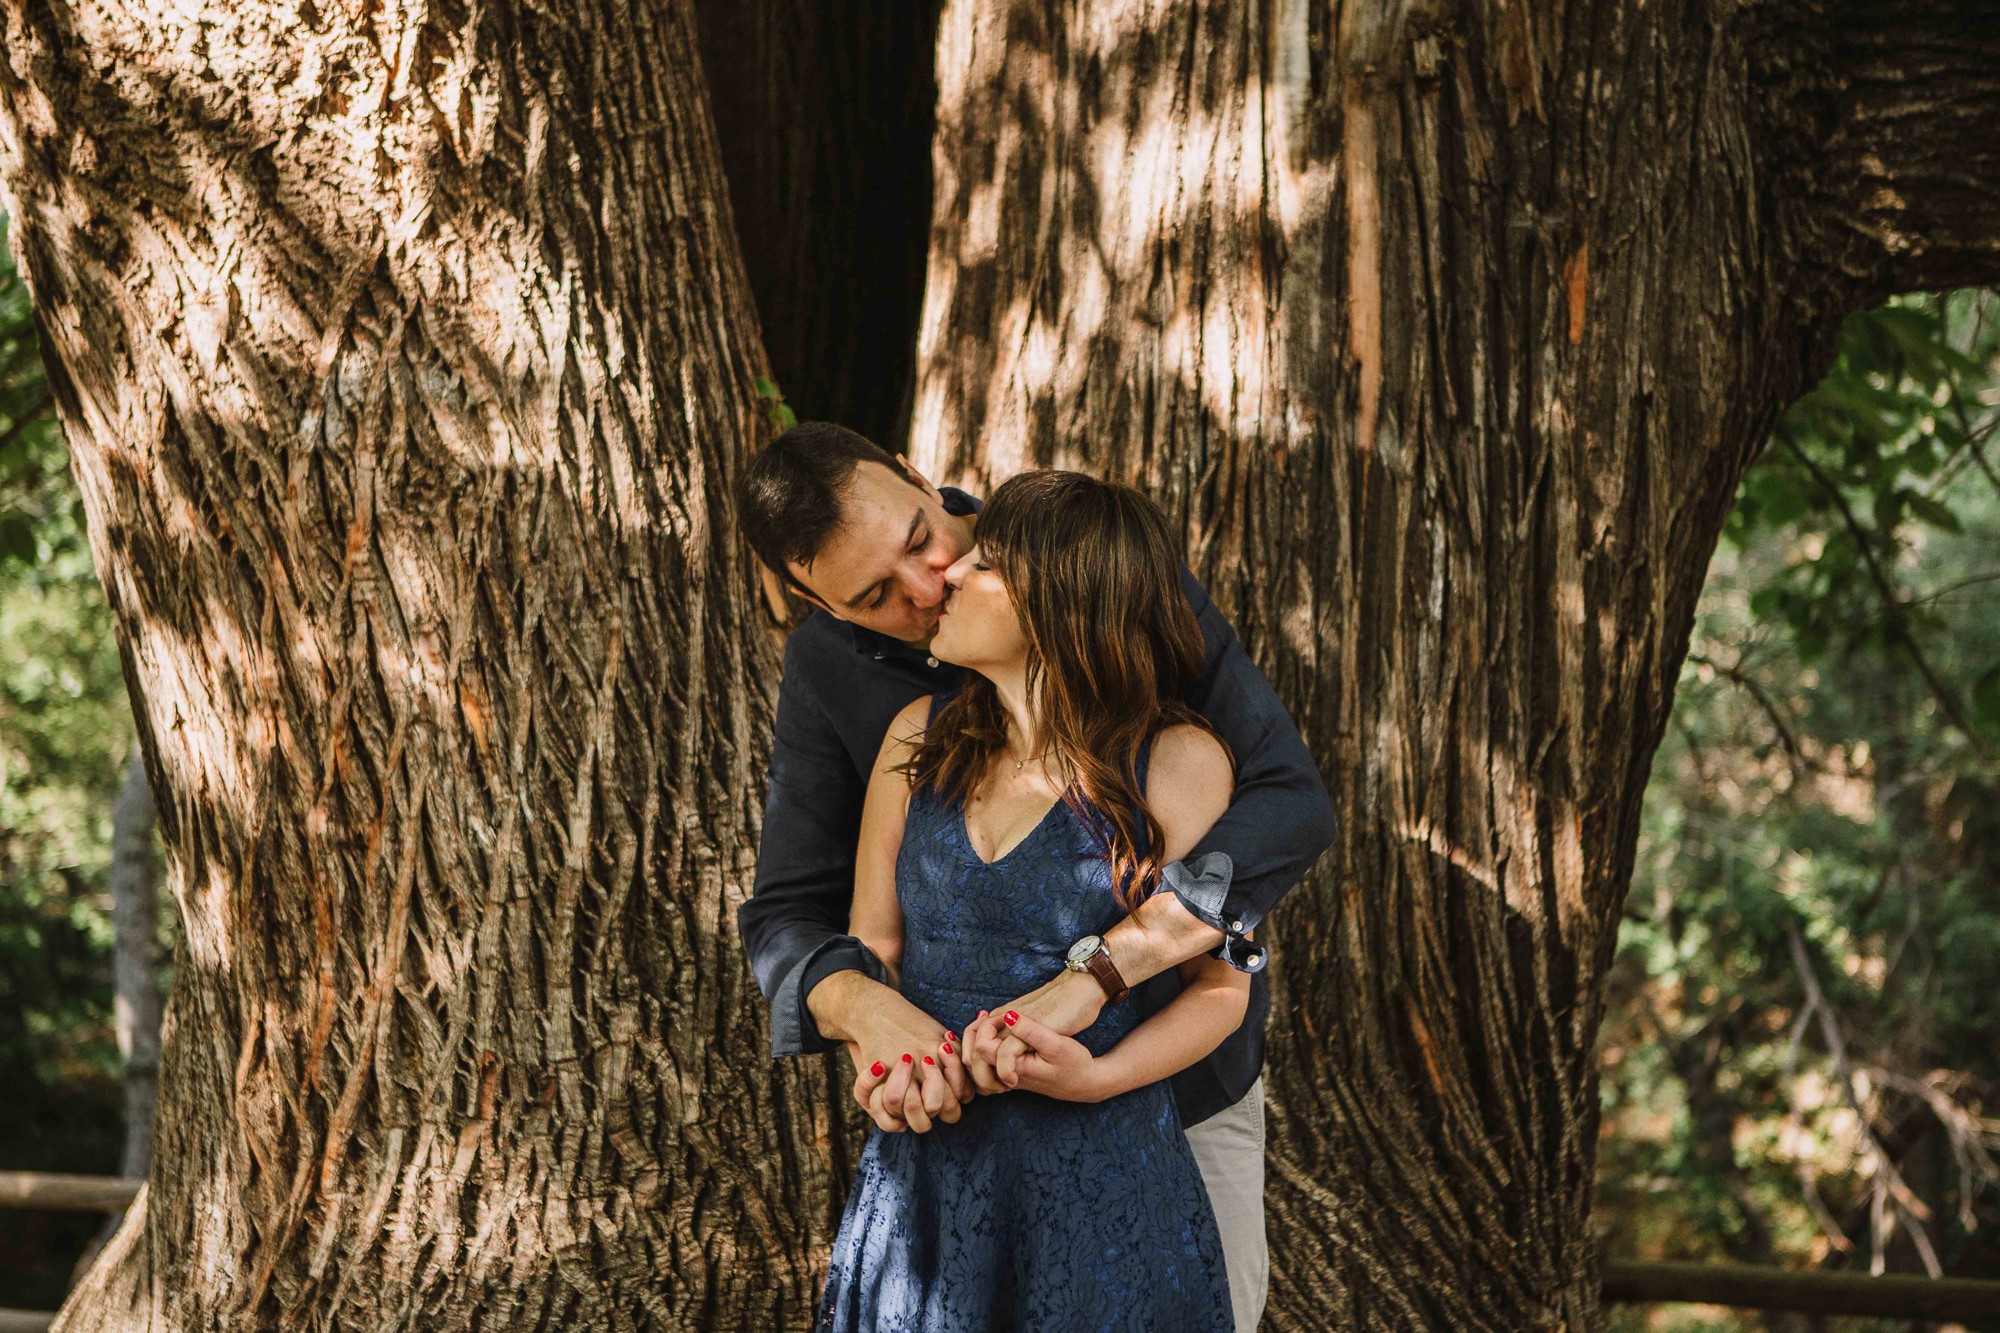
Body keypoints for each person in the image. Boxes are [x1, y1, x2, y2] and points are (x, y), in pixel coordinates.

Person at [736, 423, 1335, 1330]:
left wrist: (1097, 980)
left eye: (919, 540)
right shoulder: (842, 680)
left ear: (913, 473)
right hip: (956, 1135)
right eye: (873, 594)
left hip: (1171, 1096)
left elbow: (1286, 799)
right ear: (811, 599)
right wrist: (867, 1014)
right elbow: (800, 913)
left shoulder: (1082, 557)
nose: (928, 584)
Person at [818, 468, 1243, 1329]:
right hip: (926, 1180)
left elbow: (1222, 991)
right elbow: (874, 945)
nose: (948, 579)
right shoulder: (918, 737)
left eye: (984, 568)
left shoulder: (1177, 764)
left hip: (1099, 1173)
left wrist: (1098, 1080)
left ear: (1056, 597)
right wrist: (882, 1055)